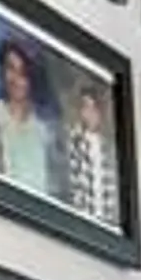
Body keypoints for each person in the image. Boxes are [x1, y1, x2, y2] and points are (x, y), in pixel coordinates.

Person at [0, 40, 55, 197]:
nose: (16, 79)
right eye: (10, 68)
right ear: (1, 71)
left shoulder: (43, 129)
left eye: (23, 73)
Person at [57, 80, 118, 229]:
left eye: (93, 108)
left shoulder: (108, 147)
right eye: (85, 107)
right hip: (83, 218)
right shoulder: (75, 141)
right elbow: (73, 183)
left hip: (105, 219)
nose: (90, 113)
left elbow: (112, 191)